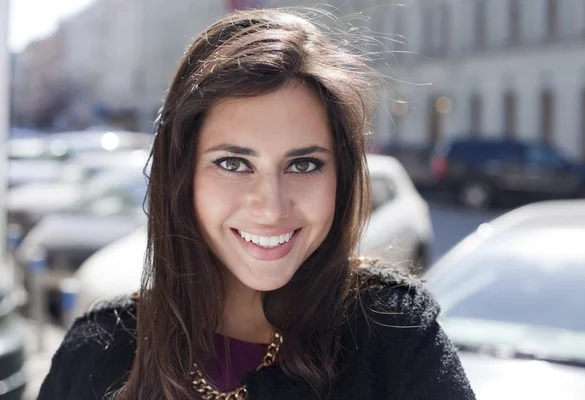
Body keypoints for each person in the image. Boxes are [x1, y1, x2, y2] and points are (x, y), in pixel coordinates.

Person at [38, 8, 475, 400]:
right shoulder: (97, 353)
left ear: (341, 177)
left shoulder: (394, 337)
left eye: (303, 165)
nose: (270, 206)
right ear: (182, 174)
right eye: (233, 163)